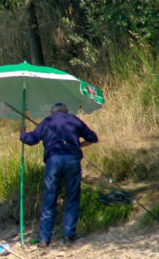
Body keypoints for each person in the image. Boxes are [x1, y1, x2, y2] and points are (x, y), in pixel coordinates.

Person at [19, 102, 99, 248]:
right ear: (67, 111)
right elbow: (93, 138)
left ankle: (44, 239)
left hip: (53, 161)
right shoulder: (74, 120)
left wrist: (23, 133)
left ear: (52, 112)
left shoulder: (47, 122)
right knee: (72, 196)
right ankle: (68, 234)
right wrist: (78, 145)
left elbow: (31, 140)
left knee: (50, 197)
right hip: (72, 160)